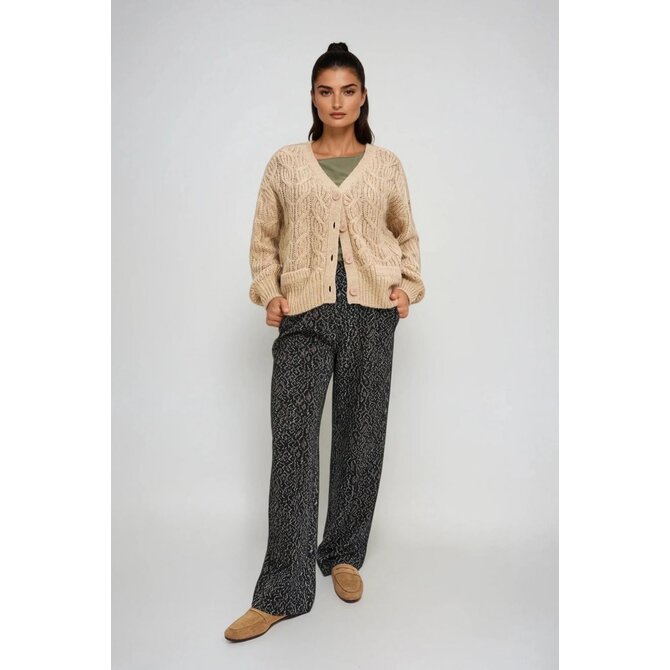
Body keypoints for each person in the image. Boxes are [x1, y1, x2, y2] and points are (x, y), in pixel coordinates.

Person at [224, 42, 426, 642]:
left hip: (372, 311)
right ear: (313, 98)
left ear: (362, 98)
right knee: (293, 441)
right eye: (325, 90)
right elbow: (264, 239)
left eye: (347, 90)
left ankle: (342, 553)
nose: (337, 101)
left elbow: (406, 234)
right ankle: (283, 589)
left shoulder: (385, 165)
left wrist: (407, 286)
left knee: (362, 433)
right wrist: (270, 291)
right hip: (305, 312)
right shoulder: (286, 164)